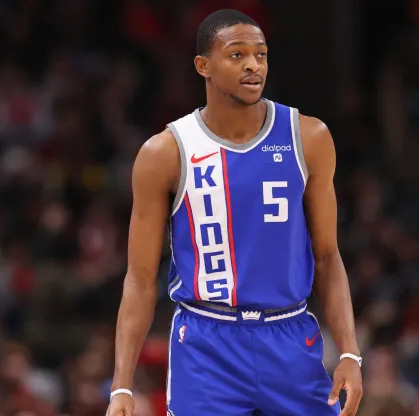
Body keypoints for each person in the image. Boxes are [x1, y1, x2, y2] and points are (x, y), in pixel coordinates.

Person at [107, 9, 363, 416]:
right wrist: (121, 385)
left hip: (289, 336)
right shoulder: (165, 153)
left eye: (260, 54)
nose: (252, 65)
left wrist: (350, 352)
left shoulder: (308, 136)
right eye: (237, 54)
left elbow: (328, 256)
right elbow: (139, 279)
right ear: (203, 66)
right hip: (207, 343)